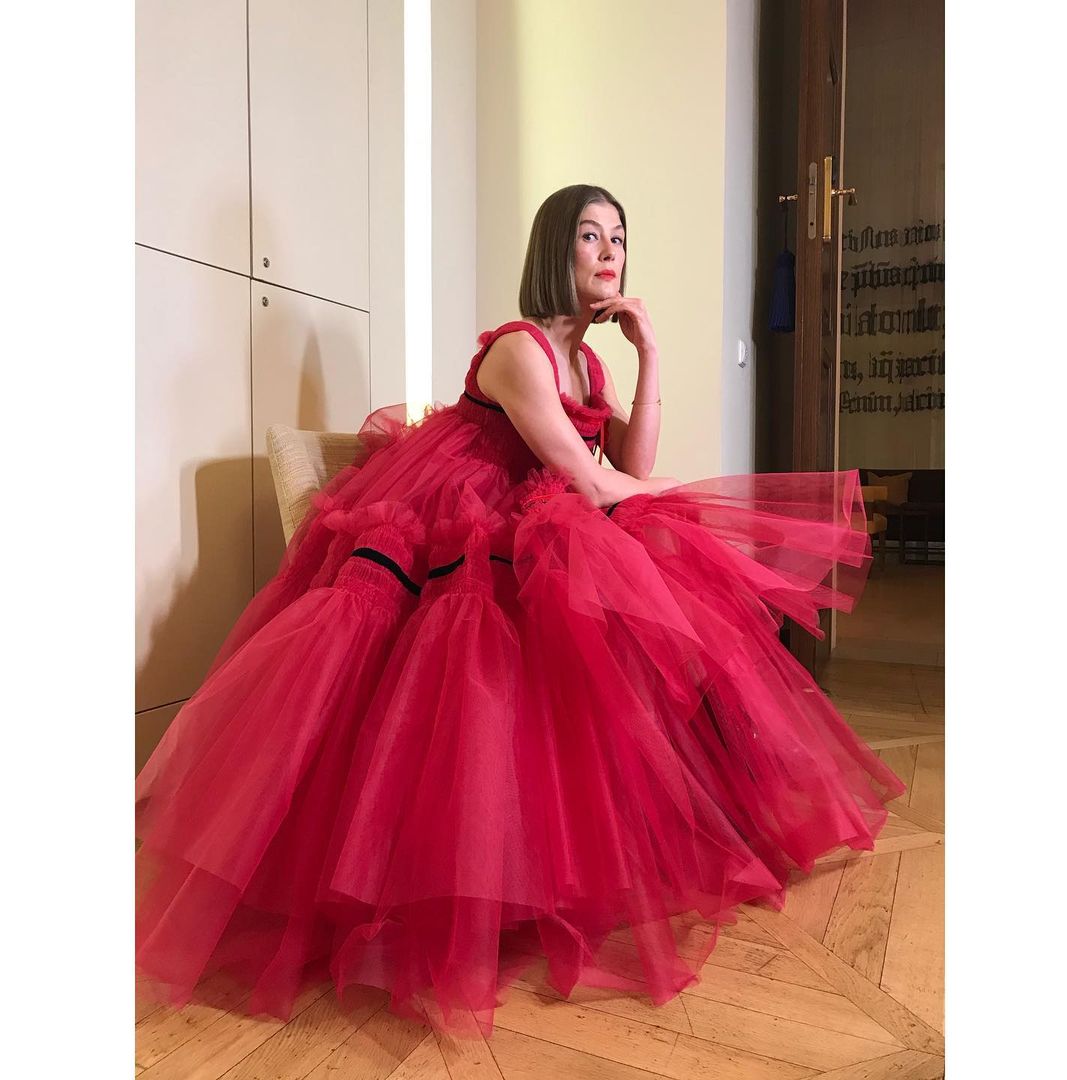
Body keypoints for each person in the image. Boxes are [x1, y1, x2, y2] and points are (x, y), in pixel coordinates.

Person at [135, 183, 906, 1040]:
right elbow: (594, 482)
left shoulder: (588, 361)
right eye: (588, 235)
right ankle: (456, 879)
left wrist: (650, 355)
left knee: (640, 572)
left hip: (540, 517)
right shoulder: (520, 350)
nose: (608, 251)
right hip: (461, 518)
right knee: (551, 603)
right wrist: (681, 497)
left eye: (618, 235)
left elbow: (626, 460)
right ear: (554, 249)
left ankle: (609, 850)